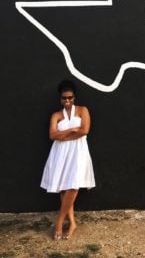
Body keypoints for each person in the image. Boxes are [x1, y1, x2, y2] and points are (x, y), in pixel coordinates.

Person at [41, 80, 95, 240]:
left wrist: (62, 135)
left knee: (73, 185)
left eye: (70, 97)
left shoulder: (82, 110)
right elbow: (52, 135)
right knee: (64, 187)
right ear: (60, 99)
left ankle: (59, 222)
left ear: (74, 97)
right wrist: (71, 129)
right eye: (64, 98)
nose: (67, 101)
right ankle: (72, 222)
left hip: (78, 151)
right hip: (60, 152)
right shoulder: (56, 115)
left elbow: (84, 130)